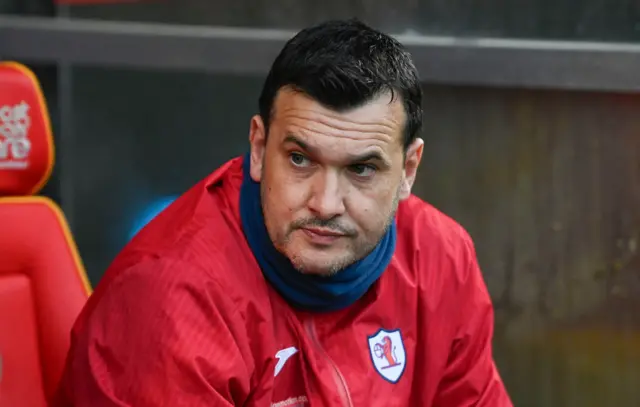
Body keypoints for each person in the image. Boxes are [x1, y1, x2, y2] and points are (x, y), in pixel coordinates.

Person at [54, 19, 512, 407]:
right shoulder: (172, 302)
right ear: (258, 147)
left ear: (408, 169)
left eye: (362, 169)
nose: (326, 203)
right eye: (300, 159)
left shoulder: (439, 257)